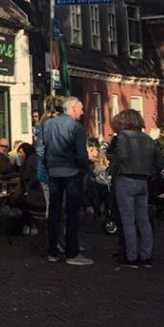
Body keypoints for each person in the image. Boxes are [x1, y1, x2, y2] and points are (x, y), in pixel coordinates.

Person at [106, 109, 163, 268]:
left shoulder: (124, 137)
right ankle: (146, 255)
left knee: (128, 220)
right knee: (143, 219)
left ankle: (131, 256)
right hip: (143, 180)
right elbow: (159, 160)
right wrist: (150, 172)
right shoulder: (148, 139)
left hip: (126, 178)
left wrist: (114, 169)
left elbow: (121, 156)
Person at [43, 96, 93, 265]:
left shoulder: (48, 124)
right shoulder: (77, 128)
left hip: (53, 172)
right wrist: (87, 169)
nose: (82, 112)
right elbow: (81, 154)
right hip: (71, 172)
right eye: (80, 109)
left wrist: (48, 166)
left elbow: (43, 148)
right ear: (72, 109)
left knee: (54, 212)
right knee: (72, 213)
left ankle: (53, 250)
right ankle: (72, 252)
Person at [87, 137, 111, 222]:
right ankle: (100, 212)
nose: (95, 152)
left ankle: (101, 212)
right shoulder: (99, 153)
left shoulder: (99, 153)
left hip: (101, 180)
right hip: (100, 181)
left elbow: (105, 163)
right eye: (91, 149)